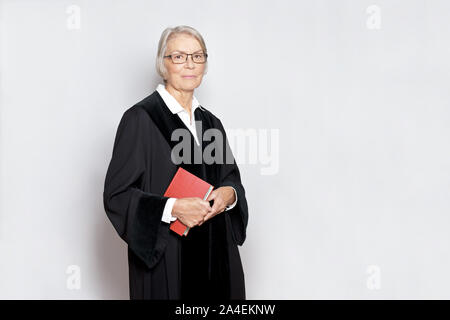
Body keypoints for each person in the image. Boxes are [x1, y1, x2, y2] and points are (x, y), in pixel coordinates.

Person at [103, 25, 249, 300]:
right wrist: (173, 208)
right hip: (169, 261)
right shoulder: (141, 119)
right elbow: (117, 196)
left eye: (197, 56)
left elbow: (230, 179)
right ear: (162, 64)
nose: (190, 64)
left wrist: (230, 195)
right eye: (179, 56)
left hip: (217, 257)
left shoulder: (210, 123)